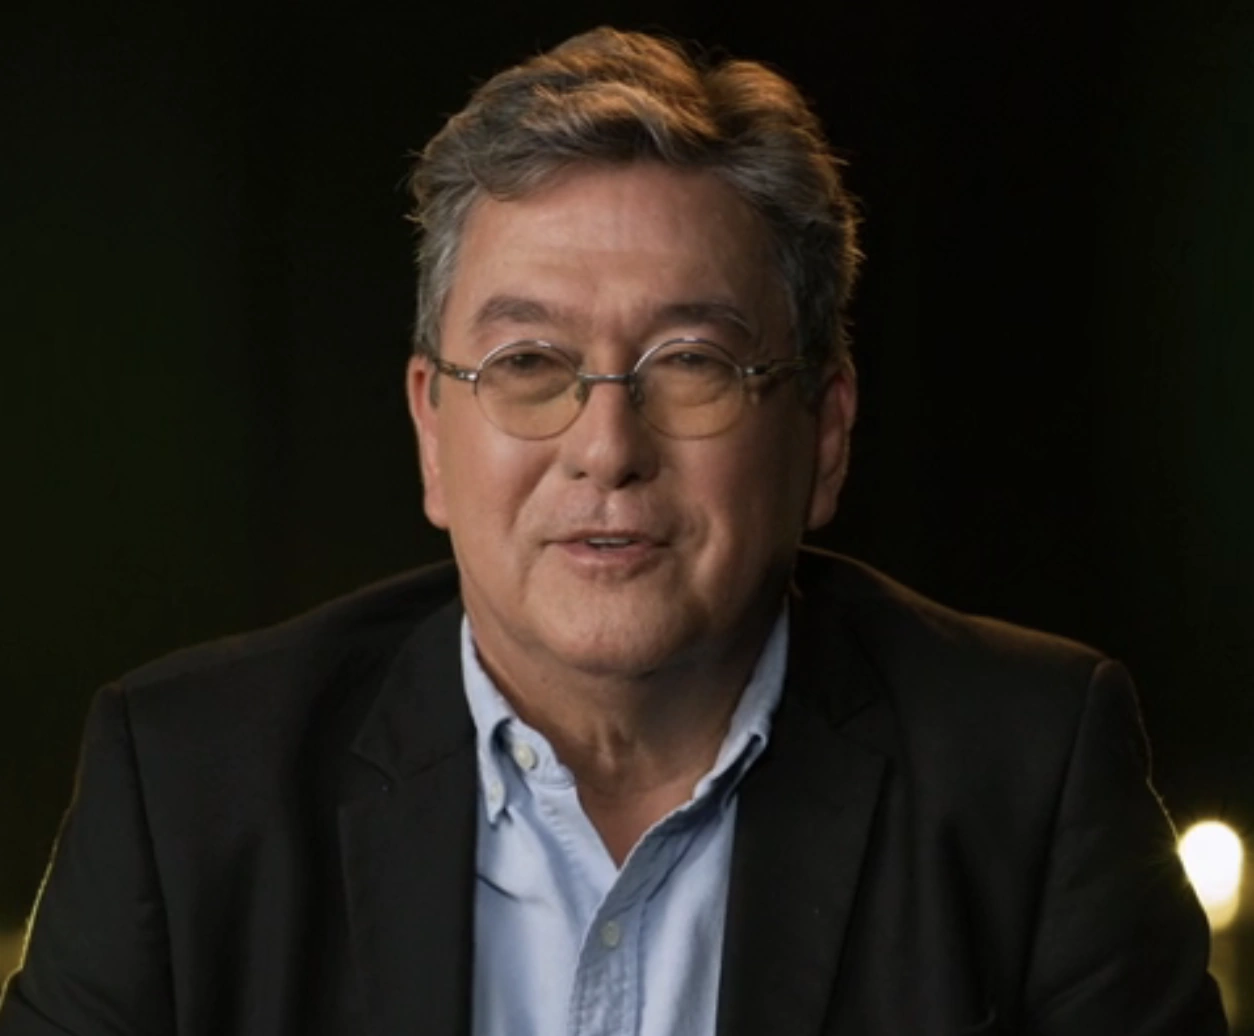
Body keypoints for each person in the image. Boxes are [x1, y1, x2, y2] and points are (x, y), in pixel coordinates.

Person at [0, 26, 1227, 1036]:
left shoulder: (1028, 778)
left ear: (824, 431)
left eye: (691, 362)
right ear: (431, 428)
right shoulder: (189, 790)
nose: (606, 446)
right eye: (529, 363)